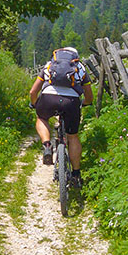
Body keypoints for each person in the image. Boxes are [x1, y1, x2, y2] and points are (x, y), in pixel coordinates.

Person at [29, 47, 93, 188]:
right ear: (75, 56)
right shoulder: (80, 67)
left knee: (41, 118)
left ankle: (46, 145)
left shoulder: (49, 65)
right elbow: (89, 96)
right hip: (71, 102)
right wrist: (85, 103)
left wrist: (35, 104)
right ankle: (76, 174)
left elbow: (33, 91)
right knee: (73, 136)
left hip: (48, 98)